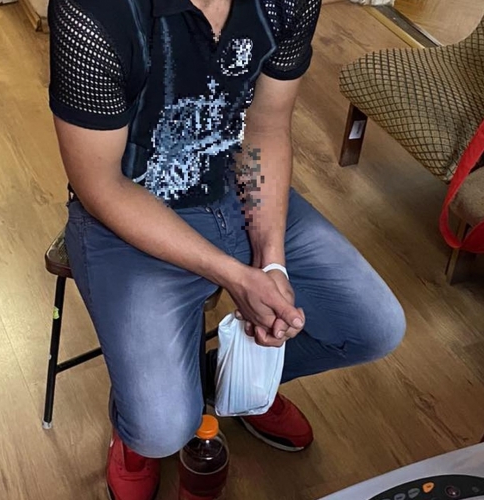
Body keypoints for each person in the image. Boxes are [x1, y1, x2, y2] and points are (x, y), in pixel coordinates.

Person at [47, 0, 407, 497]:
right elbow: (100, 185)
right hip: (127, 210)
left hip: (232, 184)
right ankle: (143, 421)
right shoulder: (92, 11)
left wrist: (272, 261)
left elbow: (266, 127)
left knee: (375, 328)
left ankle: (229, 385)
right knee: (159, 431)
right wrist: (235, 276)